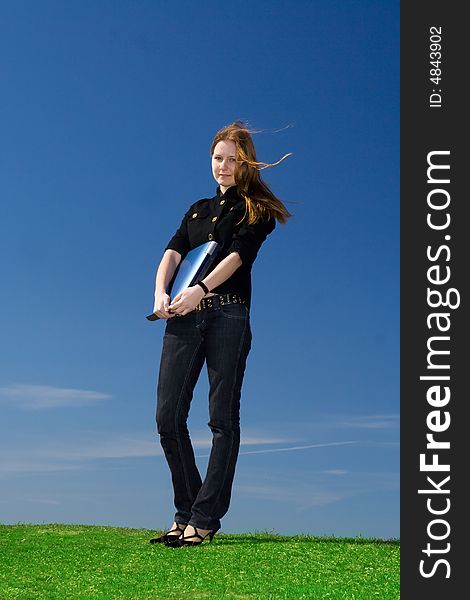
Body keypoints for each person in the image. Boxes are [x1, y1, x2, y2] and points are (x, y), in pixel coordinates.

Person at [149, 121, 292, 547]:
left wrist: (200, 289)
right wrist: (160, 291)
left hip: (227, 316)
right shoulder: (196, 209)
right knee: (167, 417)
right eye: (218, 158)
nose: (224, 166)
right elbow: (173, 250)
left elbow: (238, 257)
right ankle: (187, 511)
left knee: (221, 420)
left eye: (233, 159)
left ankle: (204, 519)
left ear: (246, 163)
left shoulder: (257, 209)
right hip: (181, 317)